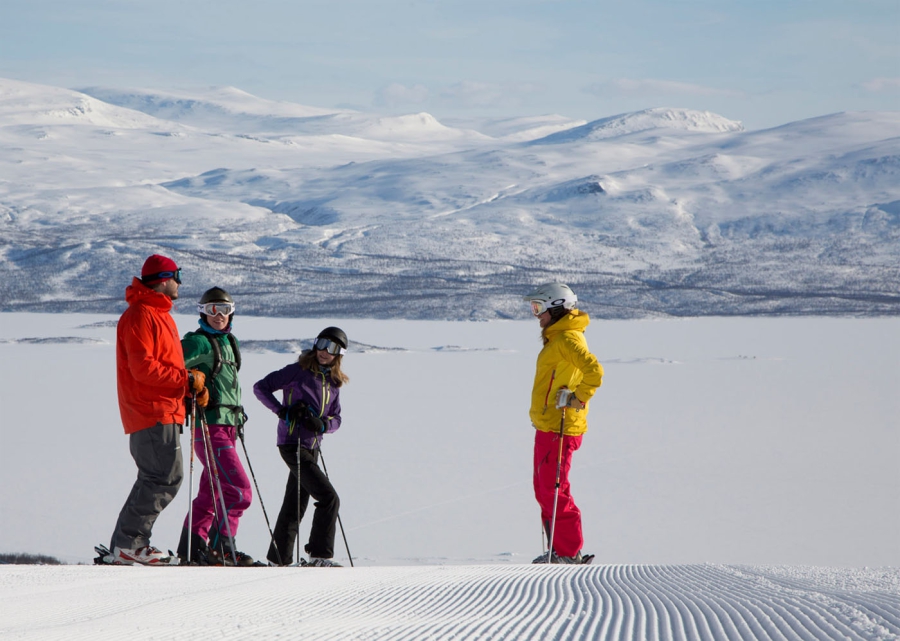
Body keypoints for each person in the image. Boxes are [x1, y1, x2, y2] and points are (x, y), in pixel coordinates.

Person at [107, 254, 208, 565]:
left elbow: (164, 366)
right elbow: (144, 369)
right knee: (161, 477)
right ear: (163, 279)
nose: (179, 283)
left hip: (163, 409)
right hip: (150, 411)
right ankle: (129, 544)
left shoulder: (158, 313)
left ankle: (126, 545)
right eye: (177, 276)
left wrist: (187, 393)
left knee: (161, 476)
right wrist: (187, 379)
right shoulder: (141, 315)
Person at [253, 327, 349, 567]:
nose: (325, 351)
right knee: (329, 498)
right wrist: (282, 410)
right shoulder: (298, 371)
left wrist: (322, 425)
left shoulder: (333, 383)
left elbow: (336, 419)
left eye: (333, 348)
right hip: (292, 443)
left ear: (339, 354)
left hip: (312, 447)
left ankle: (278, 560)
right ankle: (319, 556)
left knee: (295, 504)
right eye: (322, 343)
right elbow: (261, 387)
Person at [176, 287, 258, 566]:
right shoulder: (199, 342)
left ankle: (192, 547)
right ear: (203, 312)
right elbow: (169, 364)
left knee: (213, 490)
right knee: (238, 489)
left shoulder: (230, 341)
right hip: (209, 427)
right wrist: (189, 381)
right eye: (212, 309)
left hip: (228, 425)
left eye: (224, 309)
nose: (219, 315)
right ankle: (221, 549)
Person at [524, 283, 603, 565]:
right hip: (548, 425)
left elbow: (594, 372)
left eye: (538, 308)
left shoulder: (567, 339)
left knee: (554, 489)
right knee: (544, 488)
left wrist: (577, 398)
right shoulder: (557, 338)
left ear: (556, 308)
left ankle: (569, 553)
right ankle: (558, 551)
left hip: (560, 427)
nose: (536, 315)